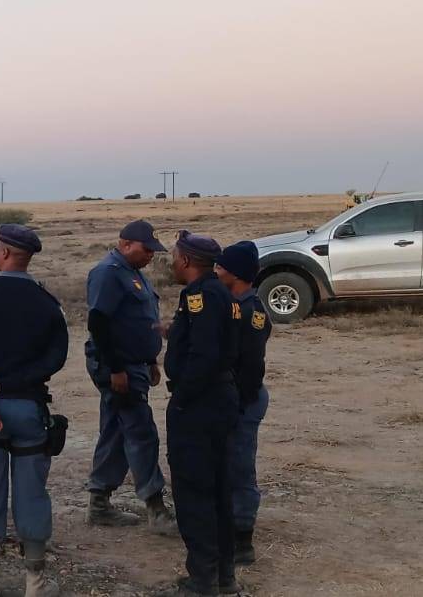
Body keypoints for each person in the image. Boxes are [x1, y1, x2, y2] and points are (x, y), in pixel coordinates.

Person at [0, 224, 67, 597]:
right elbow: (56, 358)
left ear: (2, 253)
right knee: (31, 492)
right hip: (29, 408)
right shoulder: (46, 303)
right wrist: (14, 383)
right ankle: (35, 582)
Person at [161, 231, 243, 597]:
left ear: (186, 261)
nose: (172, 263)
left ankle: (203, 582)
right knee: (218, 490)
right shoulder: (222, 293)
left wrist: (182, 399)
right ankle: (222, 577)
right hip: (218, 400)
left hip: (200, 405)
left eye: (174, 257)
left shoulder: (201, 296)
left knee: (195, 493)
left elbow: (204, 356)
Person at [83, 219, 176, 534]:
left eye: (153, 250)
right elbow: (98, 324)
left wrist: (150, 360)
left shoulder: (133, 274)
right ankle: (156, 507)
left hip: (134, 365)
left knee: (116, 431)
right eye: (146, 249)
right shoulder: (108, 273)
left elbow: (139, 321)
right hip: (119, 366)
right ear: (125, 244)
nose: (151, 255)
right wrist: (116, 369)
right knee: (141, 431)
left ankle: (99, 502)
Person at [214, 241, 270, 566]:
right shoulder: (237, 305)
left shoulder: (249, 312)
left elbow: (249, 368)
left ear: (235, 274)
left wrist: (236, 403)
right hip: (236, 398)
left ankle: (242, 539)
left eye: (220, 267)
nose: (216, 272)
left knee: (239, 467)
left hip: (243, 401)